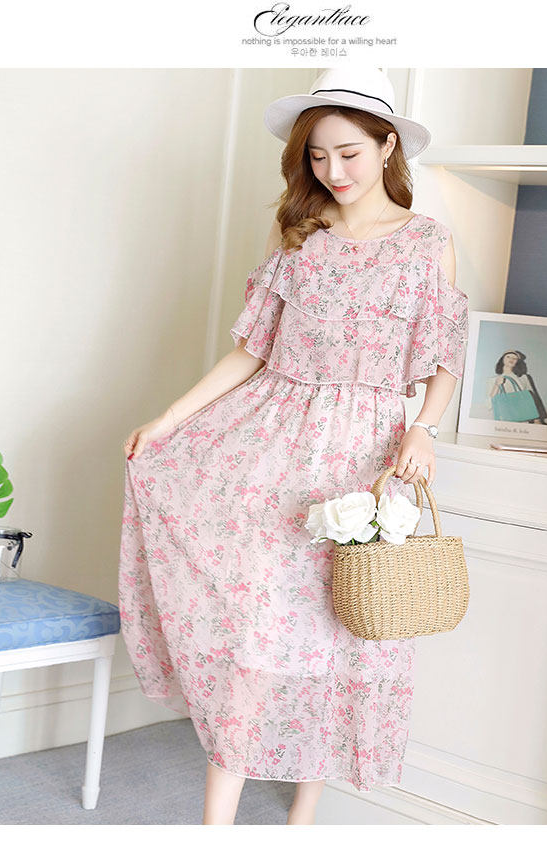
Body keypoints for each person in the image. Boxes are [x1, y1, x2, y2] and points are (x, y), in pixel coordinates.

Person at [118, 67, 470, 825]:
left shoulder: (427, 244)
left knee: (343, 627)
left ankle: (301, 821)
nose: (332, 171)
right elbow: (252, 349)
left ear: (387, 146)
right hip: (275, 445)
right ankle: (216, 826)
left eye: (348, 153)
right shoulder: (301, 238)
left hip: (369, 455)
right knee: (261, 627)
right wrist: (170, 419)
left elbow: (445, 355)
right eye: (317, 156)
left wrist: (423, 427)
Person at [485, 350, 547, 424]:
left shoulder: (523, 378)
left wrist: (537, 420)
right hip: (504, 420)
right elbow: (489, 404)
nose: (511, 359)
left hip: (524, 419)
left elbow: (532, 400)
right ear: (502, 359)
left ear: (517, 362)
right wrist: (496, 385)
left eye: (515, 358)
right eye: (508, 357)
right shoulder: (493, 380)